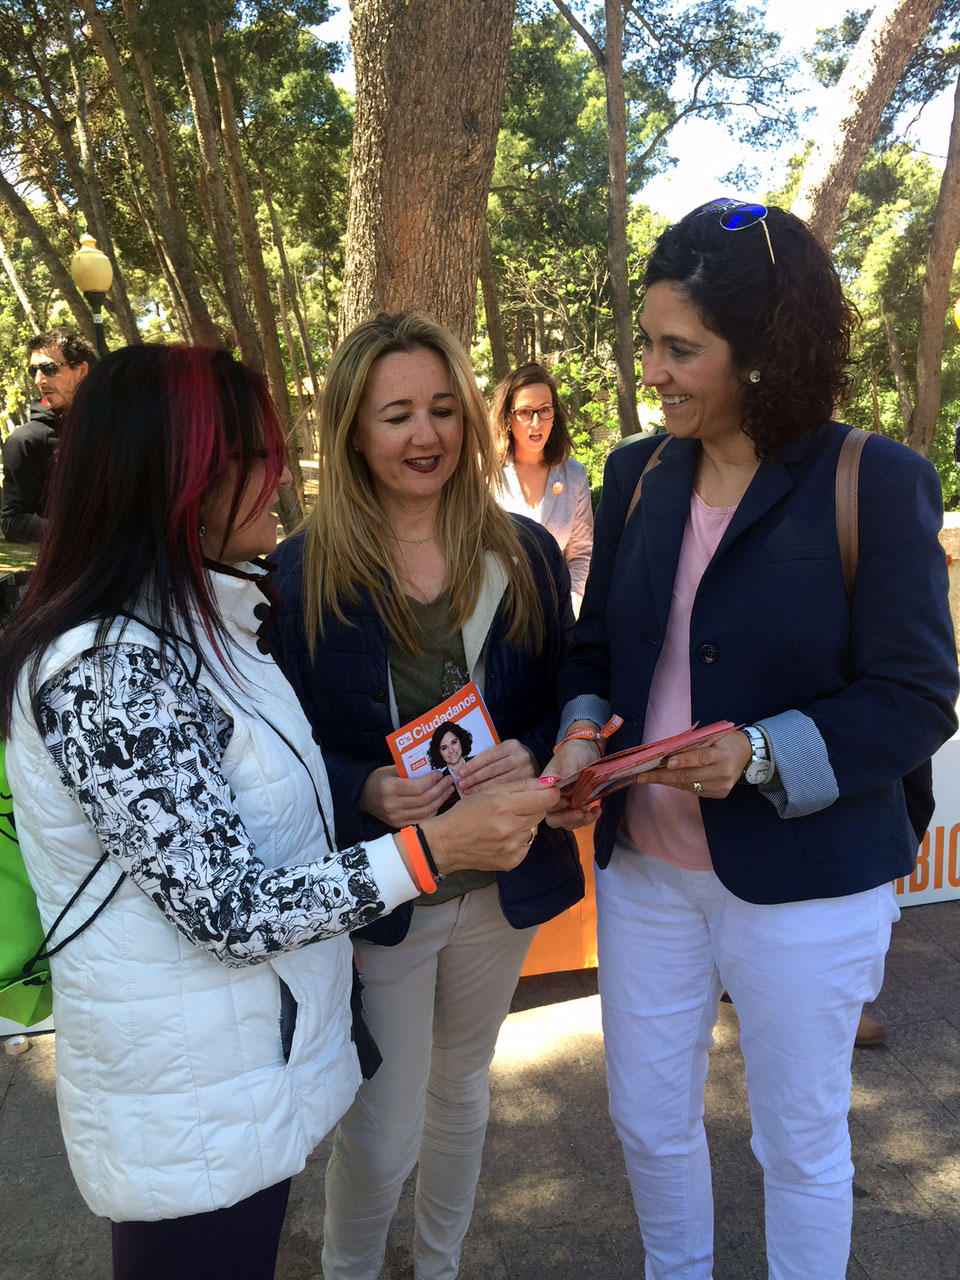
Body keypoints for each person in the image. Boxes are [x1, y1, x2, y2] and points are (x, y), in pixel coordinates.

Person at [0, 343, 559, 1280]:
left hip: (235, 1076)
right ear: (173, 480)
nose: (277, 475)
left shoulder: (207, 619)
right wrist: (425, 849)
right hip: (185, 1105)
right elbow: (228, 907)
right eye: (251, 456)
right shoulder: (108, 666)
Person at [545, 200, 959, 1280]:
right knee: (645, 1118)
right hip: (646, 871)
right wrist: (583, 731)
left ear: (766, 351)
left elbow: (917, 696)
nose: (654, 371)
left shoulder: (876, 481)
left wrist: (763, 752)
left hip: (806, 880)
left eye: (681, 348)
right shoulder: (635, 475)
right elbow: (594, 655)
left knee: (799, 1139)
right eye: (648, 342)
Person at [268, 312, 583, 1280]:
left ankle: (438, 1264)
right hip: (384, 892)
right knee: (384, 1123)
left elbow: (563, 694)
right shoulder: (298, 572)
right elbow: (274, 750)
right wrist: (361, 781)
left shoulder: (525, 552)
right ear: (353, 427)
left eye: (444, 409)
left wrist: (531, 755)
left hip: (501, 882)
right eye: (397, 412)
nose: (426, 434)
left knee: (463, 1091)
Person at [493, 361, 593, 615]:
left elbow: (581, 555)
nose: (536, 422)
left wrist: (569, 608)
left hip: (555, 618)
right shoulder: (486, 473)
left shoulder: (574, 476)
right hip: (497, 615)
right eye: (525, 412)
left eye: (545, 410)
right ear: (508, 417)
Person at [1, 327, 96, 542]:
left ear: (81, 370)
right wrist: (78, 534)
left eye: (48, 368)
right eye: (33, 371)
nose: (39, 380)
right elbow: (12, 520)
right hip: (74, 571)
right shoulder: (26, 440)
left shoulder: (116, 427)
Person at [427, 721, 473, 804]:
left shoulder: (478, 760)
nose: (451, 750)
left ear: (461, 741)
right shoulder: (440, 783)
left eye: (454, 742)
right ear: (438, 753)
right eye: (444, 748)